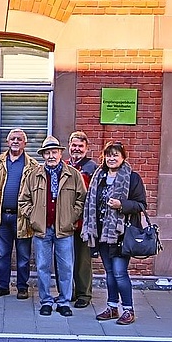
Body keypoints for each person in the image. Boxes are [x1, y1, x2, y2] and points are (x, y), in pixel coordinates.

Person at [18, 136, 86, 317]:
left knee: (65, 267)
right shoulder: (34, 175)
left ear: (60, 153)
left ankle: (64, 301)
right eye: (47, 152)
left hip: (64, 229)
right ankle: (46, 301)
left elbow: (82, 199)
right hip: (42, 229)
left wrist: (72, 216)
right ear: (43, 155)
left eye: (54, 152)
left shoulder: (73, 174)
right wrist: (33, 217)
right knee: (42, 266)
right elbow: (23, 200)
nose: (51, 156)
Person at [81, 141, 147, 325]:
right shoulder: (98, 176)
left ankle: (128, 309)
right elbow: (91, 203)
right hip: (101, 232)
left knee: (119, 272)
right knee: (109, 273)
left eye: (115, 155)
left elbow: (141, 204)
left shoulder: (132, 178)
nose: (112, 158)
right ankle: (112, 307)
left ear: (123, 158)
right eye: (108, 155)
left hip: (121, 233)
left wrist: (122, 205)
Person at [0, 128, 38, 299]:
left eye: (19, 139)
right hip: (1, 216)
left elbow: (36, 192)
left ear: (25, 143)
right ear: (7, 141)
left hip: (23, 218)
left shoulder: (32, 165)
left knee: (23, 256)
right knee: (2, 254)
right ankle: (3, 285)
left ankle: (22, 287)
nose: (15, 141)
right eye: (12, 138)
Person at [66, 131, 98, 309]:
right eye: (74, 145)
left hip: (84, 222)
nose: (76, 149)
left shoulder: (92, 168)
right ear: (69, 147)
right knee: (66, 258)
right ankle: (68, 291)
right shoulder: (64, 165)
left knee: (83, 260)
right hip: (66, 221)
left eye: (80, 146)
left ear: (86, 148)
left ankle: (84, 294)